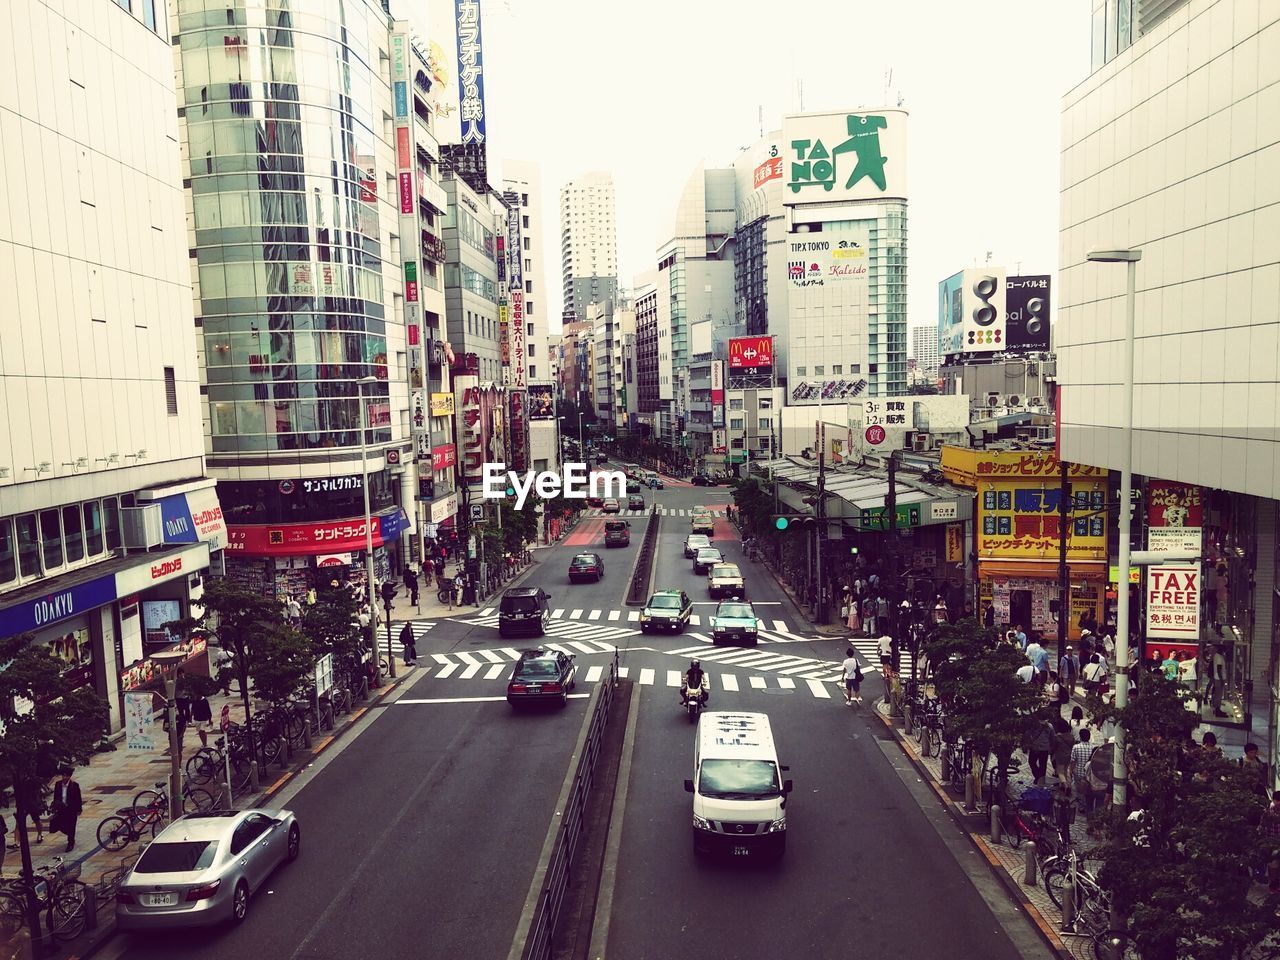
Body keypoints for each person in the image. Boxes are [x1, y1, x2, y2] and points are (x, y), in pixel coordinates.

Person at [49, 767, 82, 854]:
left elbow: (78, 798)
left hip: (71, 809)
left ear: (69, 776)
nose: (64, 777)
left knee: (72, 825)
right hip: (61, 809)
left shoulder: (74, 785)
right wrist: (56, 805)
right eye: (63, 775)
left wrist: (79, 809)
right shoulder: (58, 784)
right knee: (62, 824)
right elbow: (56, 796)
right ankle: (70, 834)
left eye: (66, 776)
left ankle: (71, 842)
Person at [1070, 729, 1098, 813]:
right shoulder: (1093, 747)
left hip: (1079, 772)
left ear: (1080, 737)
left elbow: (1073, 761)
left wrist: (1070, 771)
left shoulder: (1076, 747)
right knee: (1088, 789)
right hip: (1090, 774)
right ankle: (1088, 806)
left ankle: (1082, 806)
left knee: (1080, 790)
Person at [1261, 790, 1280, 894]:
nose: (1279, 803)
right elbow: (1262, 826)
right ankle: (1272, 885)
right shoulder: (1268, 812)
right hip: (1271, 843)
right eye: (1277, 800)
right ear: (1274, 800)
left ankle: (1276, 884)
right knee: (1273, 865)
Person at [1051, 778, 1077, 848]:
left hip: (1064, 808)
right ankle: (1064, 839)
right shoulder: (1061, 781)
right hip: (1061, 808)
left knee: (1064, 824)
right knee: (1062, 824)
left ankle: (1066, 839)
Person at [1027, 718, 1053, 785]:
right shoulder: (1049, 726)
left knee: (1035, 763)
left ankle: (1039, 778)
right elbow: (1052, 738)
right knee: (1041, 764)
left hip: (1038, 748)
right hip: (1040, 748)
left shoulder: (1049, 726)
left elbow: (1052, 737)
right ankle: (1039, 777)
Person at [1051, 718, 1075, 785]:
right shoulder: (1071, 736)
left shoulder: (1057, 737)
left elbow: (1054, 747)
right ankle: (1064, 785)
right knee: (1065, 770)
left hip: (1060, 756)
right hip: (1069, 755)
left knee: (1060, 772)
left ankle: (1066, 786)